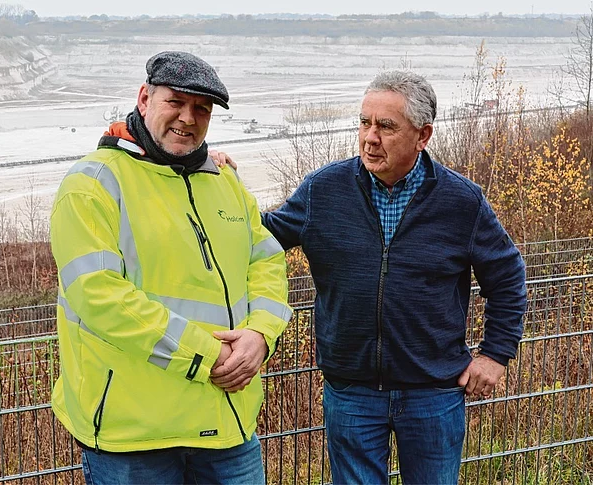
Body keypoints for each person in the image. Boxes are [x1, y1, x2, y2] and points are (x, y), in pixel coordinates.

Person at [213, 70, 527, 484]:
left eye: (386, 126)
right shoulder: (324, 190)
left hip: (433, 392)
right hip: (351, 391)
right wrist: (221, 185)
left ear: (423, 135)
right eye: (364, 123)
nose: (369, 138)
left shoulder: (461, 201)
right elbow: (258, 236)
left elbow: (507, 277)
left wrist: (495, 354)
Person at [49, 51, 291, 485]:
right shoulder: (92, 185)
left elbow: (266, 261)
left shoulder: (224, 181)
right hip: (135, 437)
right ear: (145, 99)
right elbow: (100, 297)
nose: (188, 118)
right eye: (175, 102)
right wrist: (208, 356)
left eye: (202, 108)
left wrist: (261, 335)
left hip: (226, 424)